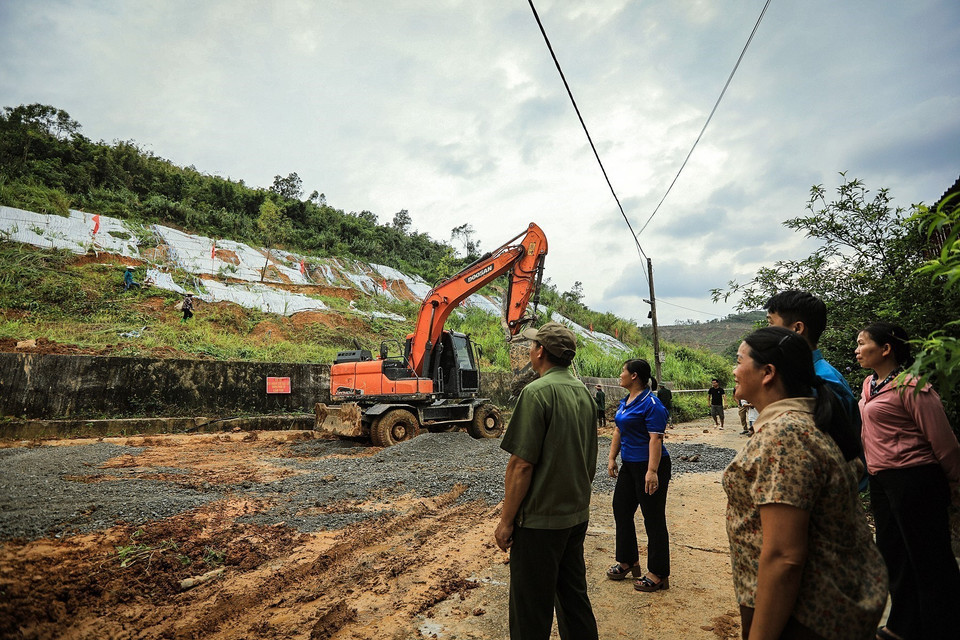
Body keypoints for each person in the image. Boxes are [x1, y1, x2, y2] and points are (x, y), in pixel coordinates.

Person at [724, 326, 887, 640]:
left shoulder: (786, 435)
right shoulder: (800, 421)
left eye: (739, 360)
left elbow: (785, 556)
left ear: (768, 372)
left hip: (801, 614)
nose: (734, 369)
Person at [856, 322, 960, 640]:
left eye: (862, 343)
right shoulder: (869, 385)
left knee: (929, 558)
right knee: (894, 554)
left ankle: (943, 629)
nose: (857, 350)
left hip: (915, 480)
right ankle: (903, 626)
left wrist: (955, 484)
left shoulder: (912, 386)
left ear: (886, 349)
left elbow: (944, 442)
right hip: (883, 481)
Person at [495, 322, 599, 640]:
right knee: (573, 600)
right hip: (575, 516)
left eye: (532, 345)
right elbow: (588, 457)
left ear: (540, 352)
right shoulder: (584, 393)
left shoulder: (537, 393)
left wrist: (506, 522)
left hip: (539, 523)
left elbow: (521, 465)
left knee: (530, 611)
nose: (530, 350)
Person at [606, 358, 672, 593]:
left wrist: (652, 472)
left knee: (653, 518)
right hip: (630, 465)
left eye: (622, 371)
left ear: (634, 376)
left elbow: (656, 439)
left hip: (651, 466)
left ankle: (658, 573)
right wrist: (613, 458)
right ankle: (628, 560)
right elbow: (618, 430)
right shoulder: (626, 401)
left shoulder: (651, 404)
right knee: (621, 509)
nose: (620, 375)